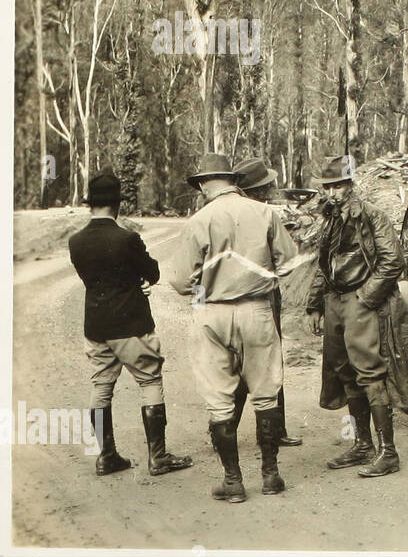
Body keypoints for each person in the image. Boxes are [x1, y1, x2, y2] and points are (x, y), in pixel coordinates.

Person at [168, 153, 298, 503]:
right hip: (257, 309)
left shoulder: (199, 219)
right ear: (232, 179)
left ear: (202, 184)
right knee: (266, 393)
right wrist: (259, 279)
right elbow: (289, 262)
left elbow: (180, 281)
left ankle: (233, 480)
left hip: (212, 312)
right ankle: (270, 475)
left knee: (220, 400)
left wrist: (207, 287)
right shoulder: (265, 213)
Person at [69, 172, 193, 477]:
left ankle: (106, 456)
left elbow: (92, 279)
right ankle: (158, 457)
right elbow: (152, 273)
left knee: (101, 386)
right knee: (149, 381)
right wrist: (137, 281)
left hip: (96, 325)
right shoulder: (127, 238)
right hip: (131, 323)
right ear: (117, 204)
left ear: (90, 204)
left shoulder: (76, 241)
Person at [307, 155, 404, 478]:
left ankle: (388, 452)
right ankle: (363, 444)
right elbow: (324, 264)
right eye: (328, 187)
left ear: (351, 185)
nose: (333, 193)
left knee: (369, 371)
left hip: (360, 301)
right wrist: (315, 305)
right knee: (345, 371)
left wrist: (366, 297)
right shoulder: (330, 220)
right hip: (335, 301)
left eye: (338, 186)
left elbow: (392, 260)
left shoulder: (372, 217)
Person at [230, 157, 302, 447]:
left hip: (229, 300)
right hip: (262, 296)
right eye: (266, 185)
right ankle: (272, 432)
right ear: (257, 189)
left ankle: (225, 429)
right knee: (270, 362)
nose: (271, 189)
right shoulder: (265, 215)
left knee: (237, 364)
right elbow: (288, 259)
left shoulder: (221, 214)